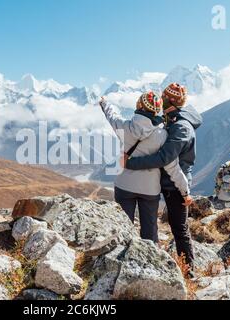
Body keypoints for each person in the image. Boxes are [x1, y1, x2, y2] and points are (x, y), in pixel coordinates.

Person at [123, 83, 202, 273]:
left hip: (176, 183)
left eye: (164, 97)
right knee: (153, 222)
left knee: (179, 228)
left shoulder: (181, 127)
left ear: (171, 101)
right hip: (163, 180)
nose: (161, 99)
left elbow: (164, 157)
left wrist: (130, 163)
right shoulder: (171, 118)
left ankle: (189, 270)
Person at [99, 92, 192, 243]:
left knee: (123, 228)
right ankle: (152, 260)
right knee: (150, 232)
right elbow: (172, 166)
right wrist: (185, 191)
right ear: (157, 110)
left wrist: (104, 103)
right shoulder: (162, 135)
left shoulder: (125, 127)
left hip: (124, 185)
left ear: (139, 105)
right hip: (150, 189)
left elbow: (111, 115)